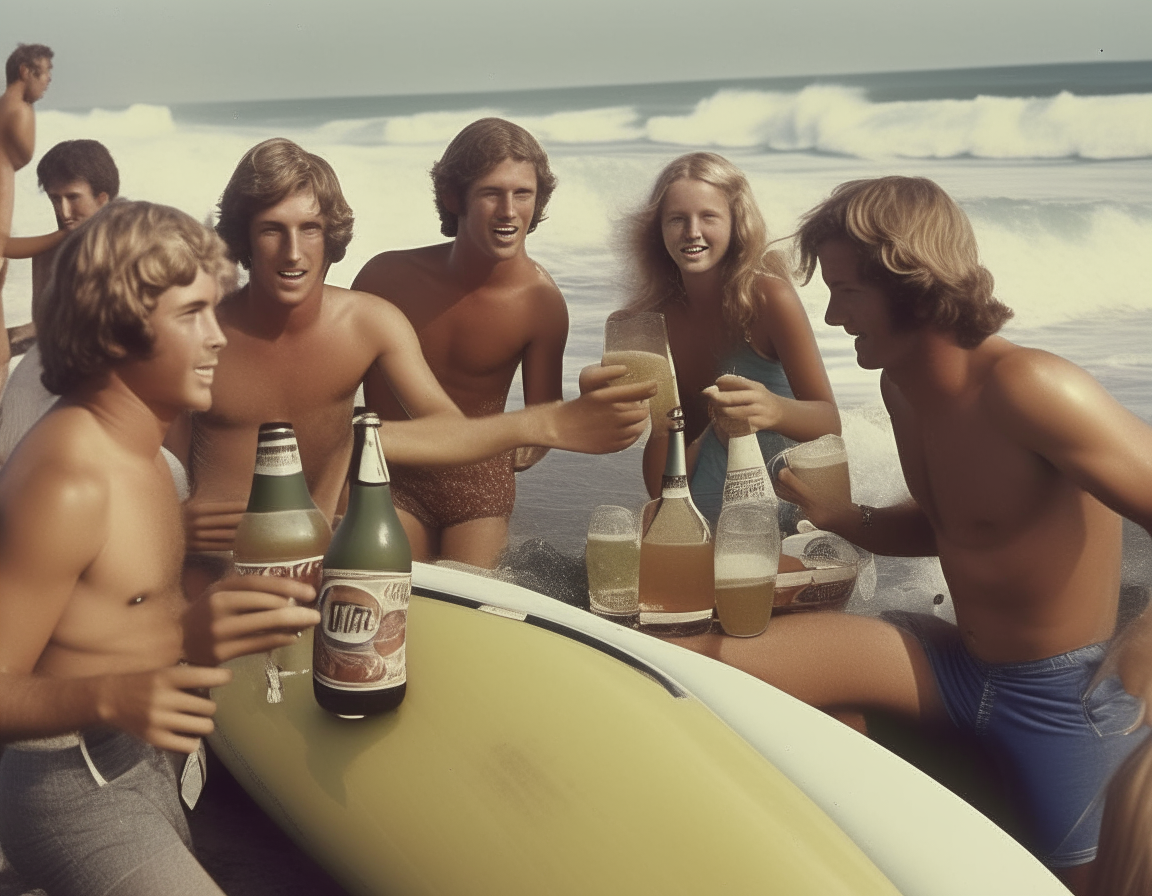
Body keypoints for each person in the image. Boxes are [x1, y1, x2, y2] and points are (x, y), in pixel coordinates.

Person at [682, 176, 1152, 893]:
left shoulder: (1032, 387)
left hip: (1069, 697)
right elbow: (957, 527)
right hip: (955, 668)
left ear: (912, 280)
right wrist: (846, 520)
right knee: (701, 665)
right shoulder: (901, 386)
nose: (834, 317)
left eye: (848, 291)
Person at [0, 200, 320, 896]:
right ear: (118, 327)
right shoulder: (69, 481)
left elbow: (102, 621)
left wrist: (192, 630)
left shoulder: (150, 458)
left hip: (144, 761)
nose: (218, 339)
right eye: (191, 314)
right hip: (68, 783)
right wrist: (114, 696)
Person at [175, 137, 652, 592]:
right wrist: (171, 524)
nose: (294, 252)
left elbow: (447, 428)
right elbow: (136, 459)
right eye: (272, 229)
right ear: (245, 237)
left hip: (327, 570)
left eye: (310, 229)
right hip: (218, 575)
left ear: (330, 236)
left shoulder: (370, 323)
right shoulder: (195, 336)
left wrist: (547, 422)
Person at [352, 118, 568, 568]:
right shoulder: (385, 278)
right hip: (391, 474)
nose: (509, 210)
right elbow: (333, 385)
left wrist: (512, 445)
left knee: (470, 603)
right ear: (454, 197)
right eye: (491, 193)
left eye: (522, 193)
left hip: (479, 485)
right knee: (395, 592)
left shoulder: (541, 304)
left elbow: (542, 417)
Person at [620, 152, 839, 523]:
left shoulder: (769, 299)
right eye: (677, 219)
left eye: (708, 217)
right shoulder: (648, 322)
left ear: (737, 223)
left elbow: (830, 422)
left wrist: (773, 409)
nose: (692, 231)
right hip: (701, 514)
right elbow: (660, 484)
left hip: (788, 511)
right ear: (656, 229)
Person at [0, 139, 118, 463]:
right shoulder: (48, 256)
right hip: (48, 375)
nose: (63, 212)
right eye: (55, 199)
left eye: (72, 198)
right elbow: (43, 329)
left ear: (102, 198)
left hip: (115, 379)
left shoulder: (136, 255)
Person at [0, 43, 53, 394]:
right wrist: (63, 235)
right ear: (25, 71)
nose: (48, 82)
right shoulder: (19, 111)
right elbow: (25, 154)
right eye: (45, 72)